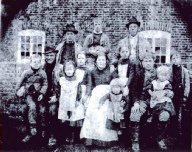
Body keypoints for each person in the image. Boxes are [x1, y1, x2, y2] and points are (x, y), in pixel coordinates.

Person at [129, 52, 174, 151]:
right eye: (145, 61)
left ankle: (160, 138)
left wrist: (170, 93)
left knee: (164, 116)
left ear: (154, 62)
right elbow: (134, 90)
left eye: (150, 61)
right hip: (143, 99)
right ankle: (135, 141)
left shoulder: (160, 72)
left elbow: (169, 87)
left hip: (159, 101)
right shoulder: (139, 74)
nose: (148, 63)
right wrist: (136, 102)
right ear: (142, 63)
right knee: (135, 114)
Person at [80, 53, 119, 147]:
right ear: (96, 62)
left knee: (105, 114)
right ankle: (92, 139)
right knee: (93, 113)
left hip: (108, 94)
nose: (101, 62)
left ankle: (106, 140)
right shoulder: (92, 72)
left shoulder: (111, 71)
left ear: (106, 61)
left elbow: (116, 83)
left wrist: (110, 95)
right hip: (96, 94)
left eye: (103, 60)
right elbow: (90, 85)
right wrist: (87, 95)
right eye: (99, 60)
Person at [15, 54, 48, 143]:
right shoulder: (26, 73)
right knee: (32, 106)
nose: (36, 64)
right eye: (34, 62)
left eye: (38, 62)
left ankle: (43, 127)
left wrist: (42, 93)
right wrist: (18, 90)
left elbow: (45, 84)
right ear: (30, 62)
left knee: (42, 109)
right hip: (29, 94)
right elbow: (19, 83)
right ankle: (32, 126)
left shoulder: (42, 73)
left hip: (38, 94)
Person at [57, 60, 85, 144]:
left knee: (75, 118)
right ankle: (65, 137)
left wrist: (77, 100)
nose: (69, 71)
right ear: (64, 70)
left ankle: (75, 137)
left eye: (71, 69)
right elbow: (58, 90)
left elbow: (79, 91)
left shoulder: (77, 80)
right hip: (64, 102)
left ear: (74, 70)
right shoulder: (61, 80)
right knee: (65, 119)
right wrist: (58, 97)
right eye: (67, 70)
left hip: (74, 102)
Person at [41, 47, 63, 147]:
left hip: (55, 95)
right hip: (43, 95)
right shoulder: (41, 68)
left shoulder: (61, 68)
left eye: (51, 55)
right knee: (41, 111)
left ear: (55, 56)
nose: (49, 57)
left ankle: (52, 136)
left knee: (52, 110)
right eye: (47, 55)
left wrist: (57, 96)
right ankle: (43, 132)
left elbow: (65, 85)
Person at [170, 50, 190, 149]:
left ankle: (179, 131)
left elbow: (187, 84)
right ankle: (172, 130)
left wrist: (185, 95)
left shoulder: (185, 71)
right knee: (172, 112)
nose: (175, 60)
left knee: (179, 113)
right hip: (172, 94)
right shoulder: (170, 70)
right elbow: (168, 81)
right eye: (173, 58)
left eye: (177, 58)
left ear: (180, 60)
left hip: (180, 94)